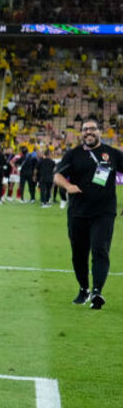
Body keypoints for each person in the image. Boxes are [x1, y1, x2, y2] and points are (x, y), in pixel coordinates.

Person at [53, 118, 123, 310]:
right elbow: (57, 175)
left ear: (100, 131)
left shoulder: (113, 154)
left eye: (92, 129)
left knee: (100, 250)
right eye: (85, 129)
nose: (89, 132)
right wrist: (68, 186)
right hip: (78, 213)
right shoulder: (73, 155)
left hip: (104, 212)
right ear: (81, 133)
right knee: (78, 254)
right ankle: (84, 289)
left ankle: (97, 292)